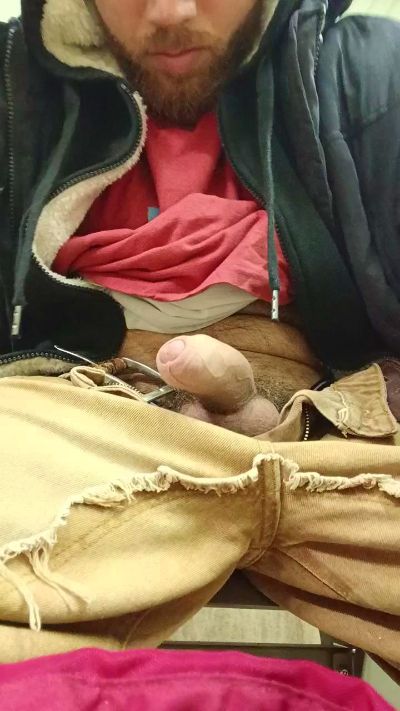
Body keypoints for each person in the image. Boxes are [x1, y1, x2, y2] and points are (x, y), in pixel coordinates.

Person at [0, 0, 399, 678]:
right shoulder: (15, 86)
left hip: (343, 424)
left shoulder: (372, 74)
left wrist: (305, 415)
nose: (171, 12)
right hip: (75, 409)